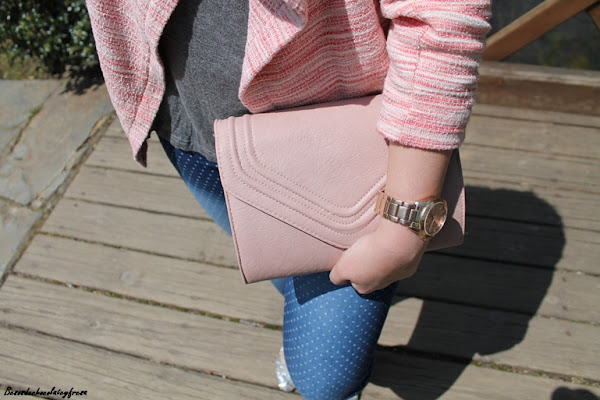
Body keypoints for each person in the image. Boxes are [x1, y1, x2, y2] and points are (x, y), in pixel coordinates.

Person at [86, 1, 491, 399]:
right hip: (188, 120)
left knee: (325, 379)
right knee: (277, 262)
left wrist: (403, 233)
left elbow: (444, 16)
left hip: (347, 155)